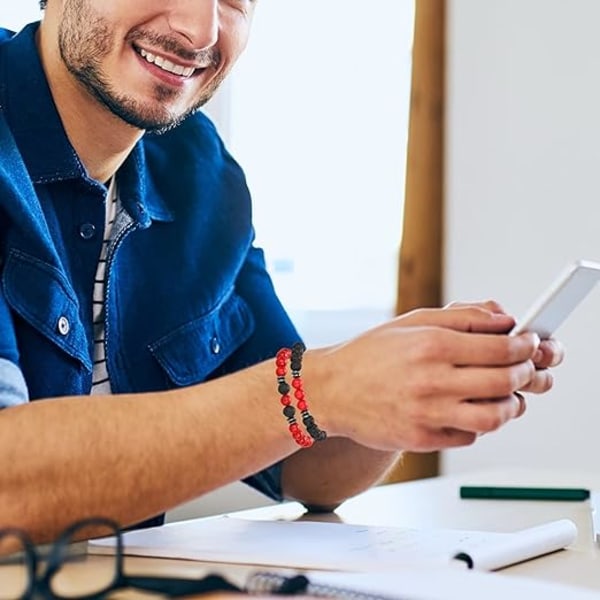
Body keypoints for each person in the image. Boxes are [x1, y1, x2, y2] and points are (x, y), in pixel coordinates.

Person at [0, 0, 562, 544]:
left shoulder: (202, 173)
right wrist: (323, 386)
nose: (201, 30)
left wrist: (406, 382)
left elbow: (306, 465)